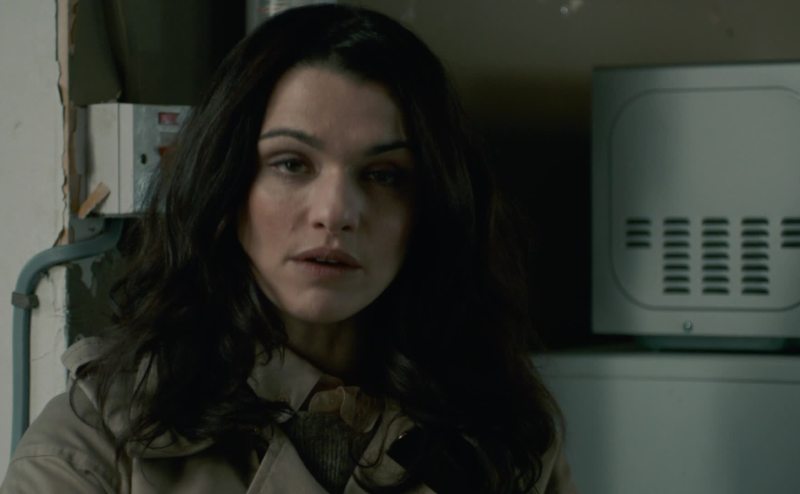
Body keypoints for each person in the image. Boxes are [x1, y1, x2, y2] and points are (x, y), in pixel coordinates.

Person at [1, 5, 576, 493]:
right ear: (228, 186)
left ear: (431, 206)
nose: (335, 212)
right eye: (291, 164)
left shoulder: (504, 441)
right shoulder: (98, 441)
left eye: (384, 175)